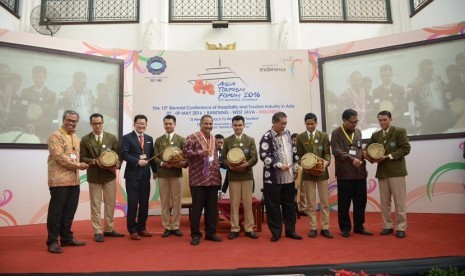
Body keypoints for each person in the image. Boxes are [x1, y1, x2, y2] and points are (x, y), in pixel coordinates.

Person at [46, 110, 89, 254]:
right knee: (56, 212)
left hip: (74, 181)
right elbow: (59, 157)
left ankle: (66, 238)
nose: (71, 123)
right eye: (68, 120)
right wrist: (79, 166)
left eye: (74, 121)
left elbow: (77, 157)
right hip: (59, 181)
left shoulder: (76, 137)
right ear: (63, 120)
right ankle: (52, 241)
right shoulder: (55, 136)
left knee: (69, 211)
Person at [363, 110, 411, 238]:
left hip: (396, 172)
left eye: (385, 120)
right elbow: (367, 148)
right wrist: (368, 156)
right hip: (382, 173)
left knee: (399, 202)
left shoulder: (399, 131)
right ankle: (387, 226)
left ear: (391, 119)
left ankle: (401, 227)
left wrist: (388, 156)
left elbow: (406, 149)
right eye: (380, 120)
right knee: (384, 203)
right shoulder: (376, 134)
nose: (382, 122)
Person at [80, 113, 124, 242]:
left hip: (109, 176)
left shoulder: (112, 138)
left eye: (99, 123)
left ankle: (109, 229)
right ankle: (98, 231)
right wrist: (94, 161)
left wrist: (117, 164)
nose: (97, 126)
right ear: (91, 124)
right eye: (94, 124)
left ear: (103, 123)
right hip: (94, 176)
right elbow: (82, 157)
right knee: (95, 205)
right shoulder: (85, 139)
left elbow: (119, 155)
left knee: (110, 203)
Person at [259, 112, 302, 242]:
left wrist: (295, 168)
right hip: (273, 179)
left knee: (289, 205)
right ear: (274, 122)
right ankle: (276, 232)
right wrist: (278, 165)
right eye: (282, 123)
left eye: (285, 123)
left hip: (288, 178)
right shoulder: (267, 137)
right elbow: (264, 156)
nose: (284, 126)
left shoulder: (288, 134)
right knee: (273, 206)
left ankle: (291, 231)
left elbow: (294, 152)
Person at [330, 108, 372, 238]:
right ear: (344, 120)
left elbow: (359, 150)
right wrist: (351, 159)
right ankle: (345, 228)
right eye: (352, 122)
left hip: (360, 173)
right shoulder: (336, 133)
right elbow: (336, 151)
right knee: (344, 203)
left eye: (356, 121)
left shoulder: (358, 132)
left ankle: (359, 226)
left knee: (361, 202)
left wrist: (364, 154)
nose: (354, 124)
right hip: (345, 174)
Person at [182, 115, 222, 246]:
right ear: (200, 124)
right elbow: (185, 153)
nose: (209, 126)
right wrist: (199, 153)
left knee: (211, 209)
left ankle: (210, 233)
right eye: (206, 123)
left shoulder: (214, 138)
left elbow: (215, 157)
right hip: (198, 179)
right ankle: (195, 235)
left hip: (213, 179)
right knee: (197, 209)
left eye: (210, 124)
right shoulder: (191, 137)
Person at [295, 113, 333, 239]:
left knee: (324, 202)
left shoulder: (323, 136)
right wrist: (305, 164)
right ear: (305, 124)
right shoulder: (300, 137)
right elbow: (299, 155)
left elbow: (327, 153)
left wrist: (326, 163)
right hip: (308, 174)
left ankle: (325, 227)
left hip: (322, 173)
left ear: (316, 123)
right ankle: (313, 227)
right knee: (311, 202)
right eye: (308, 124)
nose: (310, 126)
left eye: (312, 123)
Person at [222, 115, 258, 240]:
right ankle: (234, 228)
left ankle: (249, 228)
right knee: (235, 204)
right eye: (235, 125)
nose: (238, 127)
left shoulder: (250, 140)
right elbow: (223, 159)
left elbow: (255, 157)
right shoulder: (227, 141)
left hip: (247, 175)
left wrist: (247, 164)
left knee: (248, 203)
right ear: (232, 126)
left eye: (240, 125)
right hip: (233, 176)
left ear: (244, 125)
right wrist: (230, 166)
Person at [121, 114, 157, 240]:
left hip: (145, 176)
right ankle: (132, 230)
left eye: (144, 123)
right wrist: (137, 161)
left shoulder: (149, 138)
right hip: (132, 176)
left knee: (144, 203)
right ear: (134, 124)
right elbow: (124, 154)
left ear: (146, 125)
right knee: (132, 203)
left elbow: (151, 156)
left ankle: (142, 228)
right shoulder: (127, 138)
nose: (142, 125)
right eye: (139, 123)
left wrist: (155, 171)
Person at [153, 115, 188, 238]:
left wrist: (181, 162)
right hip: (163, 174)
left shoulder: (181, 140)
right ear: (163, 125)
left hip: (176, 174)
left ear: (175, 124)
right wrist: (163, 163)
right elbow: (155, 157)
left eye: (170, 124)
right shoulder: (159, 140)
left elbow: (187, 157)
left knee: (177, 201)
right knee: (165, 201)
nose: (168, 126)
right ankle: (167, 226)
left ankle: (176, 226)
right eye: (166, 124)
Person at [20, 65, 58, 142]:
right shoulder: (25, 92)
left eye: (41, 78)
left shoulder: (51, 94)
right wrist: (28, 124)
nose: (38, 80)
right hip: (28, 129)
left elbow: (53, 114)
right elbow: (22, 111)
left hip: (44, 130)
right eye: (36, 77)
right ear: (32, 77)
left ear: (45, 78)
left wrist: (38, 125)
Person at [372, 64, 411, 130]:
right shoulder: (376, 91)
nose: (385, 78)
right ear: (380, 76)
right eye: (383, 76)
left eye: (387, 75)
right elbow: (376, 108)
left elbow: (404, 107)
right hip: (384, 124)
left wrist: (395, 116)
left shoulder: (399, 89)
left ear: (391, 75)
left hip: (399, 122)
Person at [59, 71, 95, 135]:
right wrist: (66, 97)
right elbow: (60, 108)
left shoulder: (88, 93)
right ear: (75, 82)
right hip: (74, 126)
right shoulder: (66, 93)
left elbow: (91, 108)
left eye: (85, 83)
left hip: (88, 126)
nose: (84, 85)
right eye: (82, 83)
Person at [292, 132, 307, 216]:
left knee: (302, 190)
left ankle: (303, 209)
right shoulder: (289, 149)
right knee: (293, 190)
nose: (295, 142)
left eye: (296, 141)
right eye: (293, 140)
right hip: (292, 172)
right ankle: (293, 208)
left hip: (302, 170)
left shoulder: (302, 148)